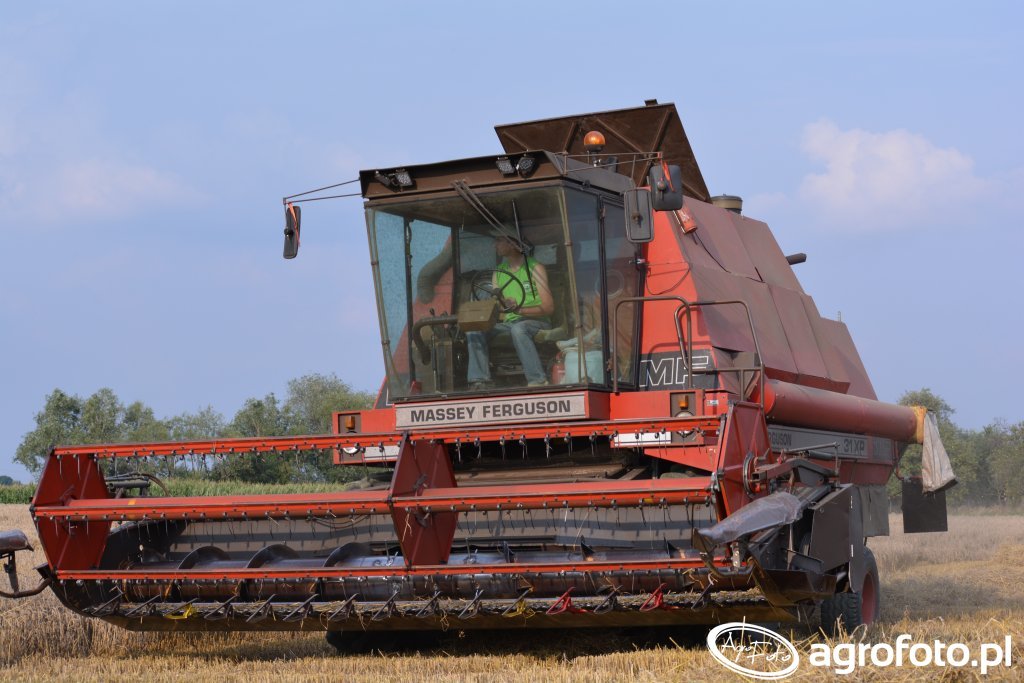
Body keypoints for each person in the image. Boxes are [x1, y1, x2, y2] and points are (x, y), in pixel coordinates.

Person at [466, 236, 555, 388]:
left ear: (513, 244)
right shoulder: (498, 272)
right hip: (510, 323)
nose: (495, 245)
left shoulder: (535, 268)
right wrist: (502, 305)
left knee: (519, 329)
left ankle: (538, 380)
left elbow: (549, 308)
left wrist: (519, 309)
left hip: (538, 321)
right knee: (474, 330)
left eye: (500, 240)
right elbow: (498, 304)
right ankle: (480, 381)